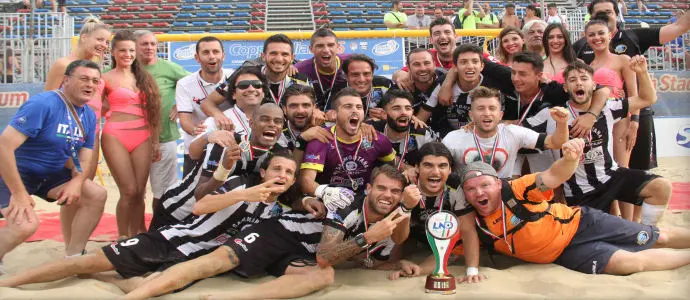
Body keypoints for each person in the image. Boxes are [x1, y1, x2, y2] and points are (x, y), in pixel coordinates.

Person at [0, 153, 302, 292]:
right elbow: (200, 206)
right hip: (171, 239)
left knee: (143, 283)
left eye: (289, 173)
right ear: (264, 172)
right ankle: (9, 284)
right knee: (86, 263)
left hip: (196, 260)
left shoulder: (280, 213)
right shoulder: (239, 184)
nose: (282, 176)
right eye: (277, 169)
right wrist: (245, 195)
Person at [114, 164, 416, 300]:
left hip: (300, 252)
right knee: (212, 264)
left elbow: (393, 241)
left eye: (394, 191)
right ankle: (134, 294)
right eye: (381, 188)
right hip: (279, 232)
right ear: (369, 188)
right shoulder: (347, 201)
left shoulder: (391, 210)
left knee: (323, 277)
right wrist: (368, 238)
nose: (387, 195)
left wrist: (391, 253)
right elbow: (327, 254)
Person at [457, 143, 690, 276]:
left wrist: (570, 159)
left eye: (485, 185)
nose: (479, 193)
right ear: (465, 194)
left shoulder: (517, 189)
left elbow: (553, 175)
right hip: (565, 255)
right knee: (631, 264)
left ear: (498, 183)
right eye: (471, 189)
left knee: (657, 238)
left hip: (581, 225)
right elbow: (446, 251)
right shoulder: (473, 224)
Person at [524, 58, 671, 225]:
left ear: (594, 85)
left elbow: (647, 99)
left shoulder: (607, 108)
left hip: (611, 177)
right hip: (580, 192)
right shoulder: (551, 115)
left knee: (661, 187)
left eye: (584, 79)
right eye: (572, 80)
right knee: (603, 235)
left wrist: (642, 72)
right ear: (565, 88)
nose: (579, 83)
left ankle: (647, 232)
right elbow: (518, 132)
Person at [0, 60, 107, 265]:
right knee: (25, 226)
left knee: (96, 194)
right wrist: (19, 193)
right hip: (13, 172)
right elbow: (4, 146)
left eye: (95, 81)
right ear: (65, 80)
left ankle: (74, 257)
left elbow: (84, 158)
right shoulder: (44, 103)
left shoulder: (89, 115)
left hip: (49, 173)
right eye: (84, 79)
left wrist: (77, 181)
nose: (90, 85)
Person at [573, 1, 690, 171]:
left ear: (616, 14)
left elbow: (679, 27)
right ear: (591, 18)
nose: (604, 17)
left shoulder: (633, 36)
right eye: (599, 15)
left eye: (608, 12)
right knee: (605, 170)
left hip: (637, 114)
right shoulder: (581, 46)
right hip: (600, 119)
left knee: (637, 169)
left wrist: (634, 121)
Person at [102, 30, 162, 238]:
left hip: (143, 137)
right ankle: (122, 236)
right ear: (113, 52)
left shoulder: (144, 78)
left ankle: (139, 234)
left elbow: (153, 112)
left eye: (130, 50)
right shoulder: (104, 79)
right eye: (122, 50)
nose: (127, 54)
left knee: (140, 192)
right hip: (115, 136)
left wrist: (155, 142)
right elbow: (94, 109)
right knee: (127, 191)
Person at [442, 86, 569, 178]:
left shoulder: (512, 132)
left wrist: (562, 123)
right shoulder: (453, 139)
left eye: (492, 108)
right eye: (480, 108)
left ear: (500, 115)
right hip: (467, 200)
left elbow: (555, 143)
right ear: (471, 115)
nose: (487, 113)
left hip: (503, 199)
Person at [201, 34, 314, 132]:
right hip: (253, 137)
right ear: (263, 56)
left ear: (292, 58)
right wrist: (220, 116)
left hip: (288, 139)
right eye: (273, 53)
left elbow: (310, 109)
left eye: (284, 54)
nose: (279, 59)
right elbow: (207, 103)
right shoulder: (247, 76)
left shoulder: (301, 80)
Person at [44, 17, 110, 180]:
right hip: (67, 133)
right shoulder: (63, 65)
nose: (104, 45)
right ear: (84, 37)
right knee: (72, 184)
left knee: (86, 182)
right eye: (100, 39)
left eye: (107, 41)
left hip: (91, 132)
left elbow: (100, 104)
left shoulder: (95, 68)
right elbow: (47, 101)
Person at [299, 87, 396, 196]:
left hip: (366, 200)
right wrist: (327, 193)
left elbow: (393, 170)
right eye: (348, 106)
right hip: (330, 201)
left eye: (359, 107)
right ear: (335, 114)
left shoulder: (377, 139)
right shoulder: (321, 138)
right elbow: (306, 181)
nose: (355, 110)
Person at [133, 30, 189, 215]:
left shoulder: (169, 67)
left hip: (165, 137)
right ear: (134, 46)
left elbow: (193, 84)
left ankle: (159, 229)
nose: (149, 47)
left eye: (152, 44)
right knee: (133, 192)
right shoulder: (125, 69)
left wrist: (179, 104)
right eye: (144, 44)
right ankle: (135, 231)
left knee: (165, 192)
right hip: (132, 140)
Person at [420, 44, 514, 138]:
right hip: (449, 139)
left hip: (485, 138)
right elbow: (421, 119)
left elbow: (508, 120)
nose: (470, 66)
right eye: (463, 62)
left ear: (482, 66)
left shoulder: (495, 87)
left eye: (475, 61)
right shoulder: (441, 84)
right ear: (455, 67)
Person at [176, 36, 233, 177]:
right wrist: (195, 130)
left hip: (229, 146)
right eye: (206, 52)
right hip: (197, 148)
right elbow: (185, 120)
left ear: (223, 56)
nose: (212, 56)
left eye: (215, 52)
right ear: (197, 57)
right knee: (192, 196)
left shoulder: (234, 77)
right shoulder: (184, 84)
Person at [370, 90, 438, 176]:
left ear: (412, 112)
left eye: (408, 108)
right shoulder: (372, 130)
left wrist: (418, 172)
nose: (403, 112)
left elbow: (440, 162)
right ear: (384, 114)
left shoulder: (423, 134)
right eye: (396, 108)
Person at [293, 29, 350, 117]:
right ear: (311, 49)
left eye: (331, 45)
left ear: (338, 47)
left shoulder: (351, 63)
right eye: (320, 46)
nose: (326, 50)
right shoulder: (299, 69)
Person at [342, 54, 396, 121]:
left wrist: (389, 117)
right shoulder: (338, 90)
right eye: (355, 75)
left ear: (372, 74)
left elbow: (402, 111)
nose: (361, 80)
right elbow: (329, 115)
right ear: (346, 76)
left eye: (366, 74)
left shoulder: (385, 85)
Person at [404, 48, 447, 113]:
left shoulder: (448, 80)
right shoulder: (401, 87)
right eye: (416, 64)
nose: (423, 68)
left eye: (427, 63)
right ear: (408, 68)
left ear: (434, 65)